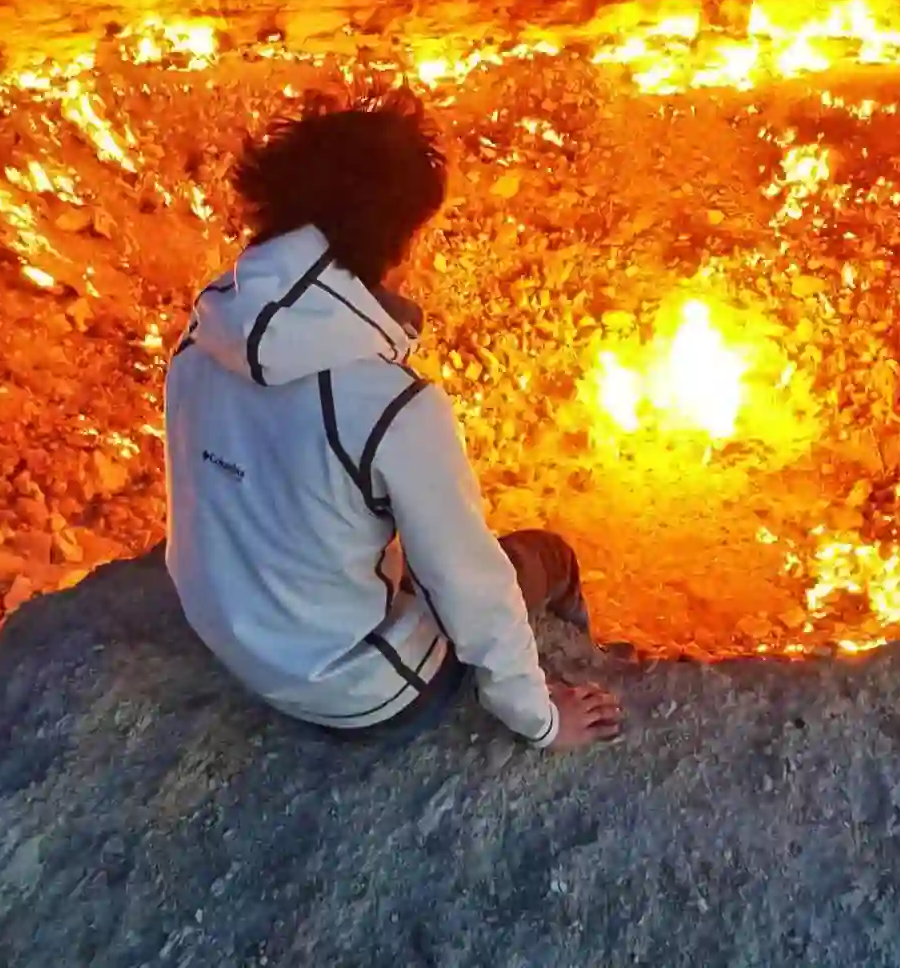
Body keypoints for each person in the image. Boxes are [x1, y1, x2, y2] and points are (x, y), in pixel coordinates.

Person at [163, 90, 624, 750]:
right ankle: (577, 658)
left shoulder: (205, 334)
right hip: (357, 689)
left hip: (228, 633)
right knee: (540, 557)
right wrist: (541, 720)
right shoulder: (389, 403)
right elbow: (471, 586)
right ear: (396, 239)